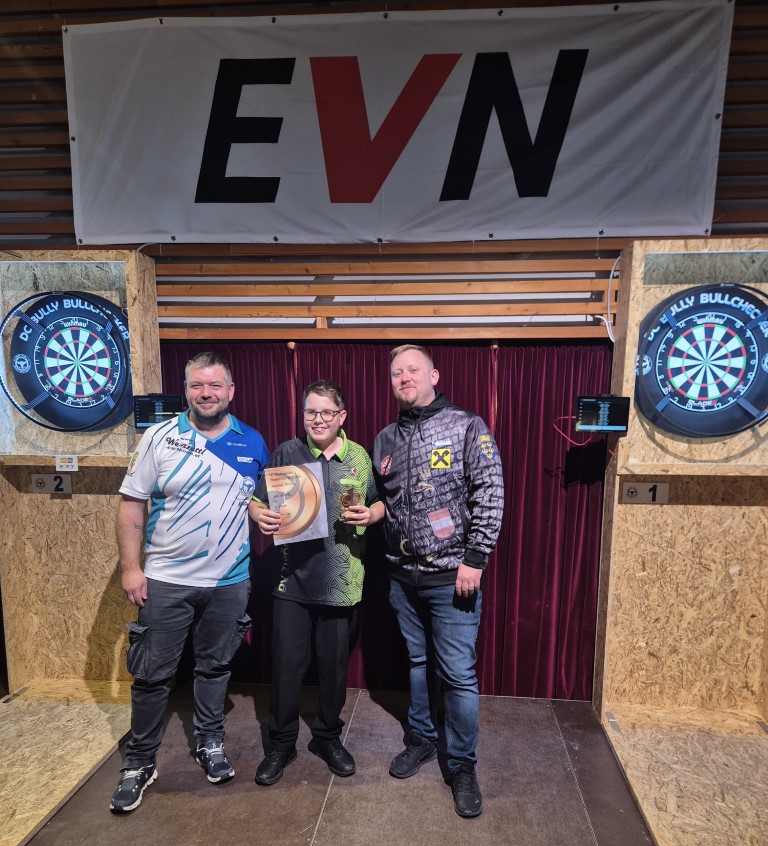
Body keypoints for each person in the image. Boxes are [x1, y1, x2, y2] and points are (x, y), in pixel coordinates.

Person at [110, 352, 269, 814]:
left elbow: (251, 498)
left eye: (215, 385)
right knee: (152, 676)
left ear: (230, 391)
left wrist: (264, 512)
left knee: (215, 668)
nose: (206, 393)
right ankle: (139, 763)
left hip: (229, 581)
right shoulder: (159, 437)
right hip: (166, 580)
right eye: (197, 385)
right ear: (186, 390)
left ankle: (209, 742)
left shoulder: (252, 441)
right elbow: (131, 504)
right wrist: (131, 568)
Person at [369, 345, 504, 818]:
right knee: (417, 661)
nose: (404, 378)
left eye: (413, 370)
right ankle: (423, 738)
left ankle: (463, 765)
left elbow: (490, 490)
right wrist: (370, 513)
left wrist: (475, 558)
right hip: (401, 576)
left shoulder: (466, 425)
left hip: (453, 576)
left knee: (458, 673)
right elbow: (388, 498)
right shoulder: (385, 438)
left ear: (434, 375)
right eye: (396, 373)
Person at [250, 380, 377, 785]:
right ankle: (281, 743)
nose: (318, 419)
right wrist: (259, 515)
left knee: (333, 669)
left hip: (341, 583)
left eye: (326, 412)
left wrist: (372, 515)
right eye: (310, 412)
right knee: (286, 668)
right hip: (292, 582)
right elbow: (257, 501)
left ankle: (327, 737)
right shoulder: (287, 452)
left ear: (341, 416)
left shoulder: (359, 456)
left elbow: (378, 502)